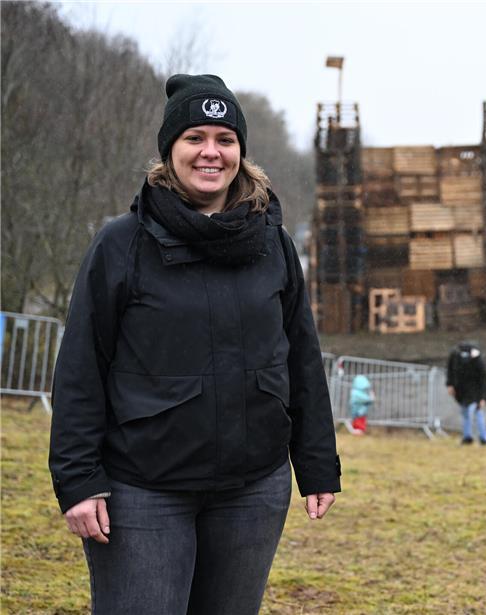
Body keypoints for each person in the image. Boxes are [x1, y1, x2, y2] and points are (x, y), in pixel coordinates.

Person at [48, 74, 341, 615]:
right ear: (170, 151)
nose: (211, 152)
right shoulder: (121, 243)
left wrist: (317, 461)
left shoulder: (272, 243)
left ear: (241, 153)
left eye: (225, 139)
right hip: (143, 490)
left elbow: (301, 354)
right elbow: (81, 366)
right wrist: (78, 478)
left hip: (253, 488)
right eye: (195, 138)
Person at [447, 341, 486, 445]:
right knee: (467, 414)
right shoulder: (456, 357)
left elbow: (483, 379)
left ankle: (483, 437)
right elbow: (451, 371)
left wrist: (483, 397)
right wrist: (450, 384)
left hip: (475, 393)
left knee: (476, 413)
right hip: (463, 392)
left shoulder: (476, 361)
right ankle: (469, 437)